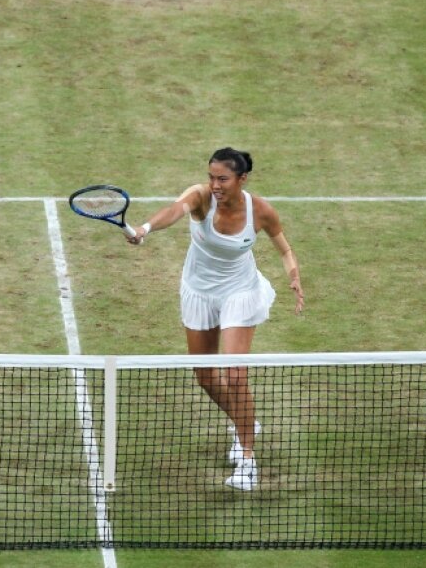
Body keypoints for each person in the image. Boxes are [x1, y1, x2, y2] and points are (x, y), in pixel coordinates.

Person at [126, 148, 303, 491]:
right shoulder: (201, 198)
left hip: (240, 291)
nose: (215, 184)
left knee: (235, 375)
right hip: (199, 291)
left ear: (242, 180)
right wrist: (144, 228)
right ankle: (246, 421)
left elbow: (284, 248)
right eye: (212, 177)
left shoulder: (261, 211)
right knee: (206, 378)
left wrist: (293, 275)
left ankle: (247, 459)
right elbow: (173, 211)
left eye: (222, 179)